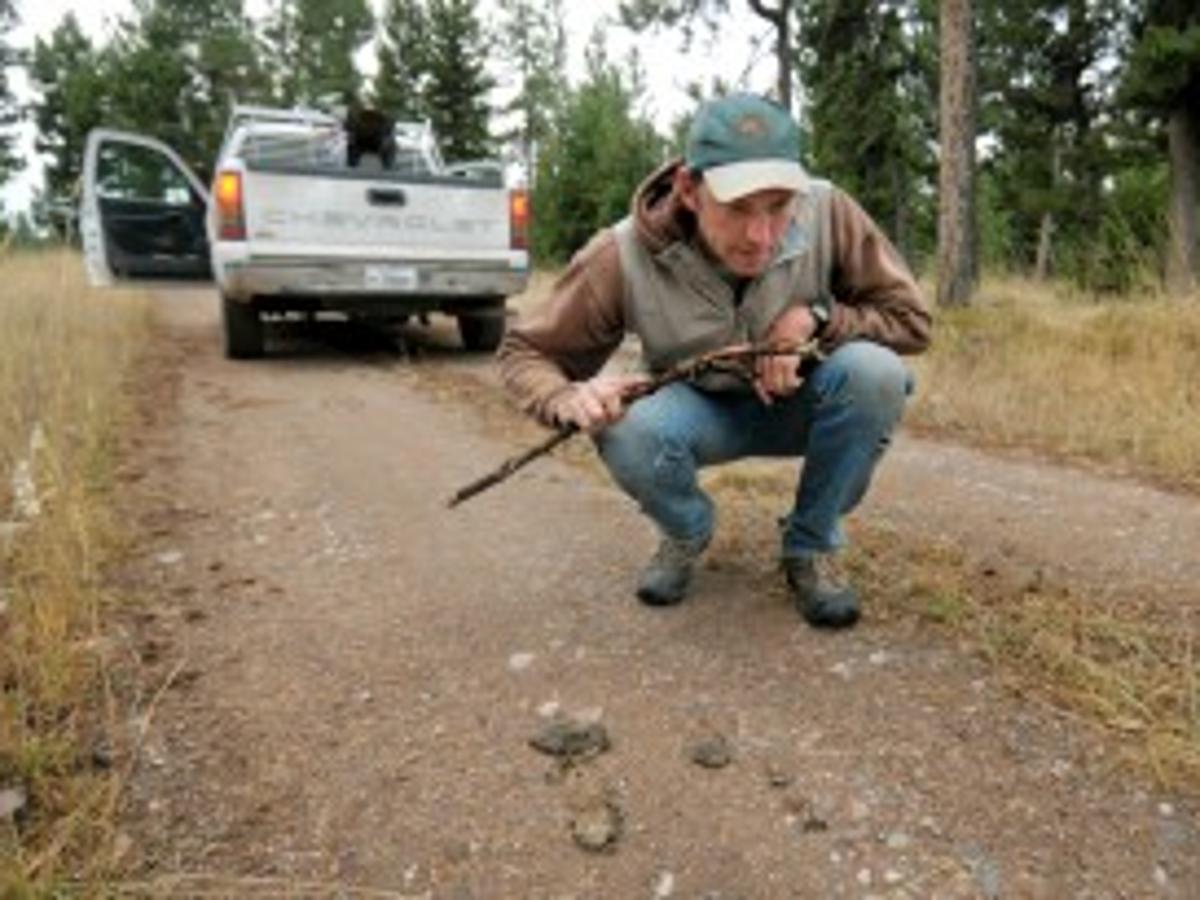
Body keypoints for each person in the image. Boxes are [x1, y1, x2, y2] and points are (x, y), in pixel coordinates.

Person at [497, 93, 931, 629]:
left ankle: (810, 543)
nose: (761, 236)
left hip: (803, 401)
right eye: (738, 208)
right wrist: (566, 397)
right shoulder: (623, 253)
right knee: (625, 426)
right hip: (695, 412)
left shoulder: (828, 211)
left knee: (876, 374)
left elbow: (911, 320)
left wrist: (816, 317)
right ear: (688, 189)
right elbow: (526, 352)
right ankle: (686, 531)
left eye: (779, 206)